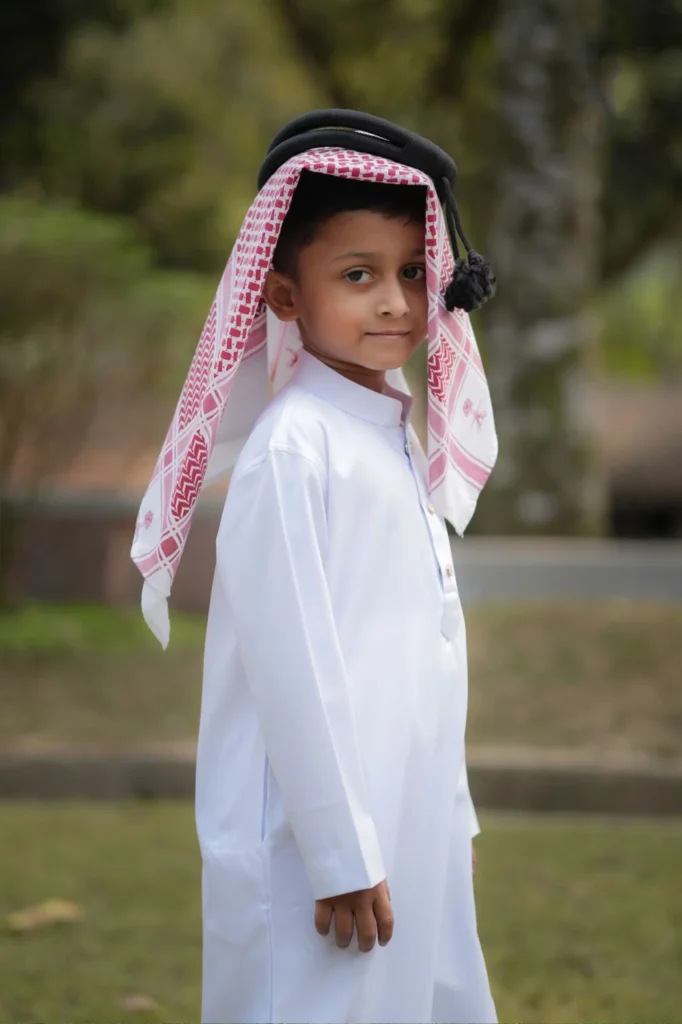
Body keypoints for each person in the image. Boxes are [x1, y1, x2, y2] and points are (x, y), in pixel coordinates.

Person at [131, 110, 499, 1024]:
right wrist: (339, 854)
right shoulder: (295, 449)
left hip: (406, 812)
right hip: (316, 847)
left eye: (413, 273)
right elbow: (292, 666)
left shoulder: (389, 435)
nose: (397, 303)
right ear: (286, 297)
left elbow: (432, 651)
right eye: (358, 275)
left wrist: (451, 815)